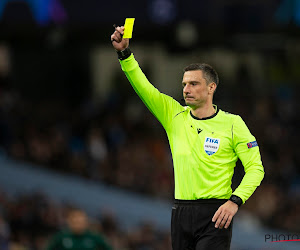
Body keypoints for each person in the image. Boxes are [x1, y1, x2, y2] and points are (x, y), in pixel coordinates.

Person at [111, 26, 264, 250]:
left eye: (193, 84)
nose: (186, 89)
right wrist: (125, 54)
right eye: (184, 84)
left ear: (211, 87)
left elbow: (256, 168)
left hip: (216, 213)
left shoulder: (233, 123)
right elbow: (144, 87)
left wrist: (235, 201)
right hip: (180, 212)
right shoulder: (174, 115)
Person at [46, 208, 112, 250]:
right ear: (69, 222)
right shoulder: (61, 237)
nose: (78, 224)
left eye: (81, 221)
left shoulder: (94, 237)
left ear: (86, 222)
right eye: (75, 221)